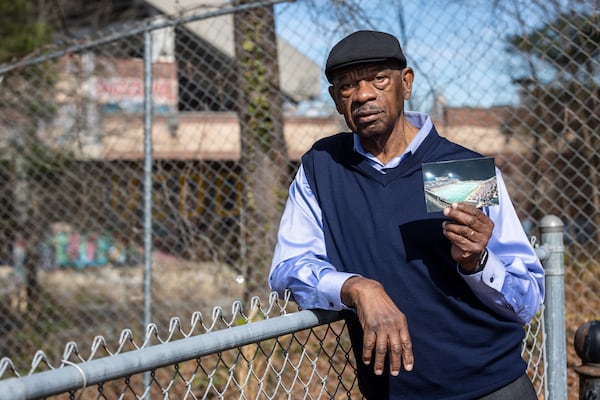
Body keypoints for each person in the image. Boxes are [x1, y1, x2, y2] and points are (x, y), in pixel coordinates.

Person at [269, 30, 544, 400]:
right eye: (347, 86)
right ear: (336, 100)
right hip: (394, 392)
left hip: (491, 385)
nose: (364, 94)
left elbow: (526, 302)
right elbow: (288, 268)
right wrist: (356, 288)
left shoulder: (456, 168)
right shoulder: (323, 167)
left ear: (406, 83)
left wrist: (478, 262)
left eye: (378, 79)